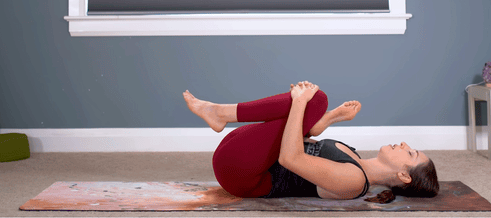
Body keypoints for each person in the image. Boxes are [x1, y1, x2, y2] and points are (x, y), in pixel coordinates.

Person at [183, 81, 439, 201]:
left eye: (411, 153)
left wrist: (300, 102)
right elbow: (301, 137)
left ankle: (221, 113)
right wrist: (334, 117)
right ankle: (220, 113)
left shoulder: (355, 181)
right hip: (246, 152)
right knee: (316, 104)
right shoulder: (354, 156)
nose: (405, 144)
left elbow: (290, 158)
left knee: (315, 100)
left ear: (404, 176)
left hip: (243, 175)